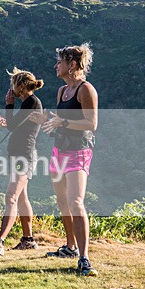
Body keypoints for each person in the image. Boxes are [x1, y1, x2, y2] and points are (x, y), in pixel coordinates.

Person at [31, 43, 98, 276]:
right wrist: (47, 122)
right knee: (62, 202)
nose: (55, 66)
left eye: (59, 61)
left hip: (78, 152)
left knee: (76, 202)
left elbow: (91, 124)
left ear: (71, 65)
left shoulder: (85, 90)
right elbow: (59, 121)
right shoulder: (62, 91)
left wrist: (64, 123)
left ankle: (84, 257)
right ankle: (70, 246)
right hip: (59, 150)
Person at [0, 67, 44, 255]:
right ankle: (28, 239)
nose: (11, 89)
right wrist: (8, 120)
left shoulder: (31, 102)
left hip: (23, 156)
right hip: (19, 154)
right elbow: (15, 125)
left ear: (20, 86)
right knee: (22, 197)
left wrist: (9, 104)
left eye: (13, 85)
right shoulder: (29, 102)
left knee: (11, 197)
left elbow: (12, 125)